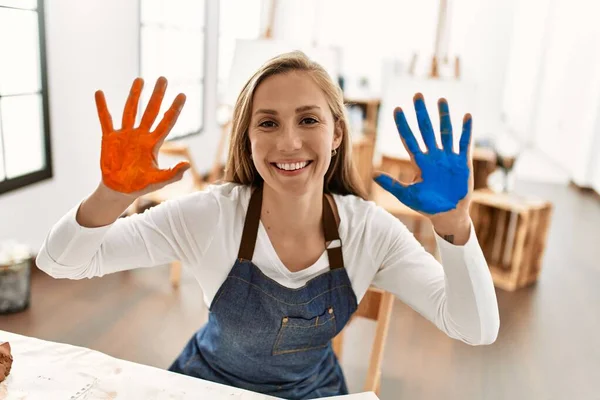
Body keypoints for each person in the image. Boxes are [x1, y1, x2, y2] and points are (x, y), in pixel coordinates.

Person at [36, 51, 499, 399]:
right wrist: (112, 196)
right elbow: (61, 264)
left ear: (337, 134)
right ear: (249, 137)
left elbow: (475, 328)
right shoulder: (211, 215)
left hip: (313, 392)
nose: (290, 142)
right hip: (207, 388)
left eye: (309, 120)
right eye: (268, 123)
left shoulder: (369, 232)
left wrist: (455, 228)